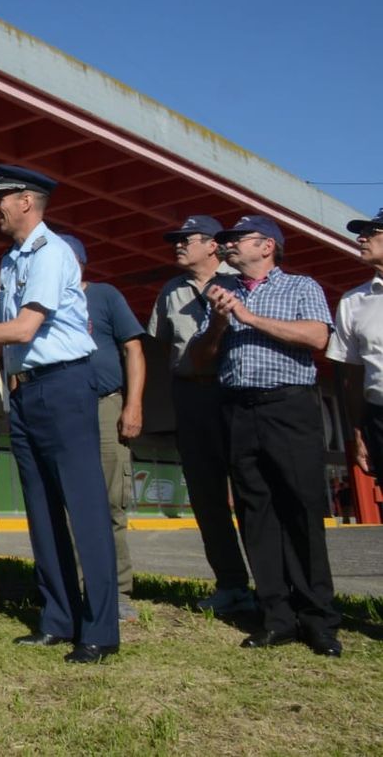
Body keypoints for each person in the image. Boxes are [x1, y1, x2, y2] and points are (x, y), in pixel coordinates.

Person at [0, 164, 118, 663]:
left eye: (1, 199)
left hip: (65, 386)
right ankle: (57, 619)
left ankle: (99, 630)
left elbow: (26, 328)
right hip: (27, 390)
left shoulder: (52, 253)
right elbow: (10, 341)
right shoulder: (12, 261)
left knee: (85, 511)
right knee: (42, 511)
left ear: (26, 202)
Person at [192, 214, 341, 656]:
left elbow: (316, 336)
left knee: (300, 509)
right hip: (240, 409)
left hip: (287, 407)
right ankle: (276, 615)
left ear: (267, 246)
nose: (229, 247)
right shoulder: (221, 294)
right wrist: (220, 323)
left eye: (237, 240)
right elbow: (202, 358)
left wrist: (247, 317)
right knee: (256, 513)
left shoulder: (301, 286)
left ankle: (319, 619)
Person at [146, 215, 254, 614]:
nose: (177, 245)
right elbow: (161, 344)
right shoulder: (171, 291)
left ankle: (273, 586)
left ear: (212, 245)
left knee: (251, 489)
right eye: (175, 239)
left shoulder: (237, 280)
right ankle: (231, 584)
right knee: (207, 496)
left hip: (233, 392)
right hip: (190, 393)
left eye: (185, 239)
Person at [61, 235, 146, 622]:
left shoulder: (105, 295)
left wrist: (132, 404)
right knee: (67, 504)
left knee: (111, 502)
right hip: (64, 409)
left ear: (79, 262)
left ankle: (118, 590)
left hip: (105, 405)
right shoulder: (44, 302)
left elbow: (133, 349)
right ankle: (74, 587)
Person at [328, 206, 383, 486]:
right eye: (360, 234)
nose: (361, 239)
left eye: (370, 232)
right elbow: (353, 375)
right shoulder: (352, 302)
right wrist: (359, 433)